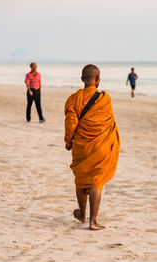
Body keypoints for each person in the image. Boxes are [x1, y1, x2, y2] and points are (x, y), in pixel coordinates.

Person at [64, 64, 120, 230]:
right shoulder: (105, 99)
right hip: (100, 145)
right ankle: (93, 221)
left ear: (82, 79)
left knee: (81, 179)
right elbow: (108, 123)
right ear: (98, 79)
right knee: (97, 180)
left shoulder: (74, 99)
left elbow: (71, 123)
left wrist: (68, 141)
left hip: (81, 145)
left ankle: (82, 213)